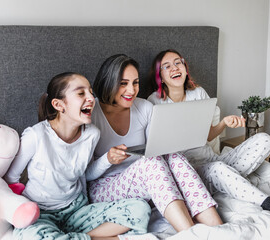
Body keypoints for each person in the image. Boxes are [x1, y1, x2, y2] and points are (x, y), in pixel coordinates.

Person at [147, 49, 270, 240]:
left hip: (213, 159)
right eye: (167, 66)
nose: (174, 68)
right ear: (160, 76)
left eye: (178, 62)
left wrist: (224, 122)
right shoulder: (155, 102)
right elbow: (156, 149)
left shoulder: (198, 93)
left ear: (185, 67)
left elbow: (208, 135)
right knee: (218, 169)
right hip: (191, 172)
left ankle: (226, 181)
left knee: (264, 140)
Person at [4, 72, 151, 240]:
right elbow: (11, 178)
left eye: (90, 92)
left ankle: (79, 237)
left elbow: (85, 174)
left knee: (140, 209)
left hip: (77, 211)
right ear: (59, 105)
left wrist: (108, 160)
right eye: (81, 93)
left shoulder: (92, 135)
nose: (90, 98)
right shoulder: (35, 136)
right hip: (41, 213)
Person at [87, 54, 223, 233]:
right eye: (123, 83)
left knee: (174, 156)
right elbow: (85, 175)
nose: (131, 90)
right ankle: (190, 235)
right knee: (150, 163)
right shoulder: (90, 114)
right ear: (108, 81)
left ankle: (221, 230)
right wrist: (107, 159)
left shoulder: (144, 107)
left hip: (146, 182)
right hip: (105, 187)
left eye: (135, 83)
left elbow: (159, 151)